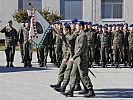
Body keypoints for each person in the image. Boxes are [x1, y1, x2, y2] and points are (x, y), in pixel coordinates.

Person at [64, 21, 95, 97]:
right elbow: (70, 39)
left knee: (83, 75)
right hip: (76, 59)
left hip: (81, 58)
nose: (76, 27)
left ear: (81, 27)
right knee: (73, 74)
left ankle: (90, 90)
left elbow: (81, 49)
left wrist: (73, 57)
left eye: (77, 25)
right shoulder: (77, 34)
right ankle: (71, 90)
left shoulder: (83, 35)